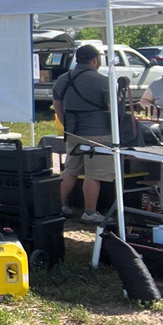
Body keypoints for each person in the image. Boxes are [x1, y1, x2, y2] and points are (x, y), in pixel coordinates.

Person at [53, 44, 112, 224]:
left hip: (73, 133)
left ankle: (58, 206)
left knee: (70, 170)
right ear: (95, 60)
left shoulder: (63, 79)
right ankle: (90, 212)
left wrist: (67, 125)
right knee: (93, 174)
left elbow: (58, 106)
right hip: (99, 134)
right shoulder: (103, 81)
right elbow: (112, 110)